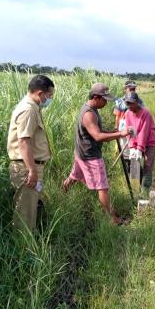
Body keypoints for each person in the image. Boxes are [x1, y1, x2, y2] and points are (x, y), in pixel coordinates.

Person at [62, 83, 132, 224]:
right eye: (104, 99)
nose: (106, 102)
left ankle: (61, 196)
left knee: (74, 176)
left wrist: (112, 132)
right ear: (96, 97)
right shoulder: (88, 114)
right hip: (90, 156)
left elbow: (98, 132)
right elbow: (97, 136)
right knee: (102, 187)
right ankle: (113, 219)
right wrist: (120, 134)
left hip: (81, 152)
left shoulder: (92, 110)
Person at [7, 75, 54, 232]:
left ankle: (28, 246)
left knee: (31, 209)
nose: (49, 99)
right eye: (49, 96)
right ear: (41, 93)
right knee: (25, 214)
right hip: (27, 168)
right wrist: (32, 170)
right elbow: (23, 142)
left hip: (30, 166)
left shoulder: (33, 108)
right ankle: (23, 251)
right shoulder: (28, 110)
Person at [124, 91, 155, 196]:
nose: (129, 106)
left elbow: (144, 132)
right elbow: (129, 131)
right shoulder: (128, 113)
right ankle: (138, 188)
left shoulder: (145, 113)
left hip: (149, 143)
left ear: (137, 102)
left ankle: (145, 191)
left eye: (131, 103)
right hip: (135, 143)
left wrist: (139, 148)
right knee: (134, 166)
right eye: (127, 103)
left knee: (148, 165)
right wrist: (132, 147)